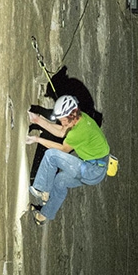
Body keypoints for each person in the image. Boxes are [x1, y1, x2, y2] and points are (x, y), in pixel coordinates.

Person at [25, 94, 110, 224]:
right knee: (59, 182)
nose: (61, 122)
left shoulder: (79, 131)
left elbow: (63, 149)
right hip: (97, 170)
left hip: (91, 170)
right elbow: (62, 131)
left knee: (51, 156)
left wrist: (36, 139)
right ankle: (43, 216)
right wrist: (38, 120)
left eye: (62, 119)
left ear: (71, 115)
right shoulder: (80, 119)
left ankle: (42, 190)